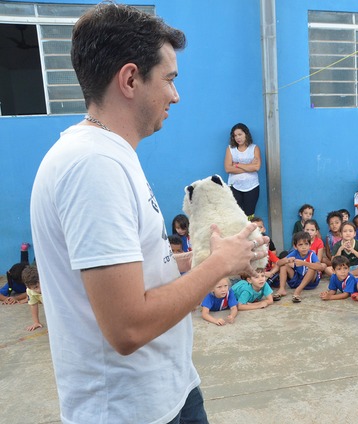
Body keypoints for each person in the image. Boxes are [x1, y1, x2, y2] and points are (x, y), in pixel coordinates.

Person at [29, 4, 269, 423]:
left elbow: (131, 272)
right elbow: (128, 327)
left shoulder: (108, 156)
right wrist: (215, 266)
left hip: (168, 390)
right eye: (170, 79)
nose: (176, 95)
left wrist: (205, 257)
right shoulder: (93, 166)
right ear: (130, 79)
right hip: (130, 410)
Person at [224, 123, 261, 218]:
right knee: (236, 214)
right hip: (234, 186)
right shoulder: (230, 149)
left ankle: (249, 232)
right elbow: (228, 168)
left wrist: (237, 165)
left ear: (246, 134)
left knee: (249, 215)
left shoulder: (254, 148)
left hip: (252, 186)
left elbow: (256, 167)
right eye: (235, 135)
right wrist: (249, 167)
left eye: (240, 134)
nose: (237, 138)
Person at [276, 231, 324, 302]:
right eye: (300, 245)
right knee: (283, 266)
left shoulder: (311, 254)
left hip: (310, 283)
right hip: (297, 280)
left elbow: (320, 267)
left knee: (312, 268)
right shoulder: (294, 253)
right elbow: (279, 263)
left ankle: (298, 291)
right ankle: (282, 289)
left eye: (306, 244)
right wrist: (287, 260)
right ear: (295, 246)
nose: (304, 247)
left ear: (310, 245)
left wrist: (304, 263)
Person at [22, 264, 44, 331]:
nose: (39, 289)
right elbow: (33, 305)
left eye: (39, 285)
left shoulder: (48, 285)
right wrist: (36, 322)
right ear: (29, 287)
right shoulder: (29, 291)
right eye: (35, 288)